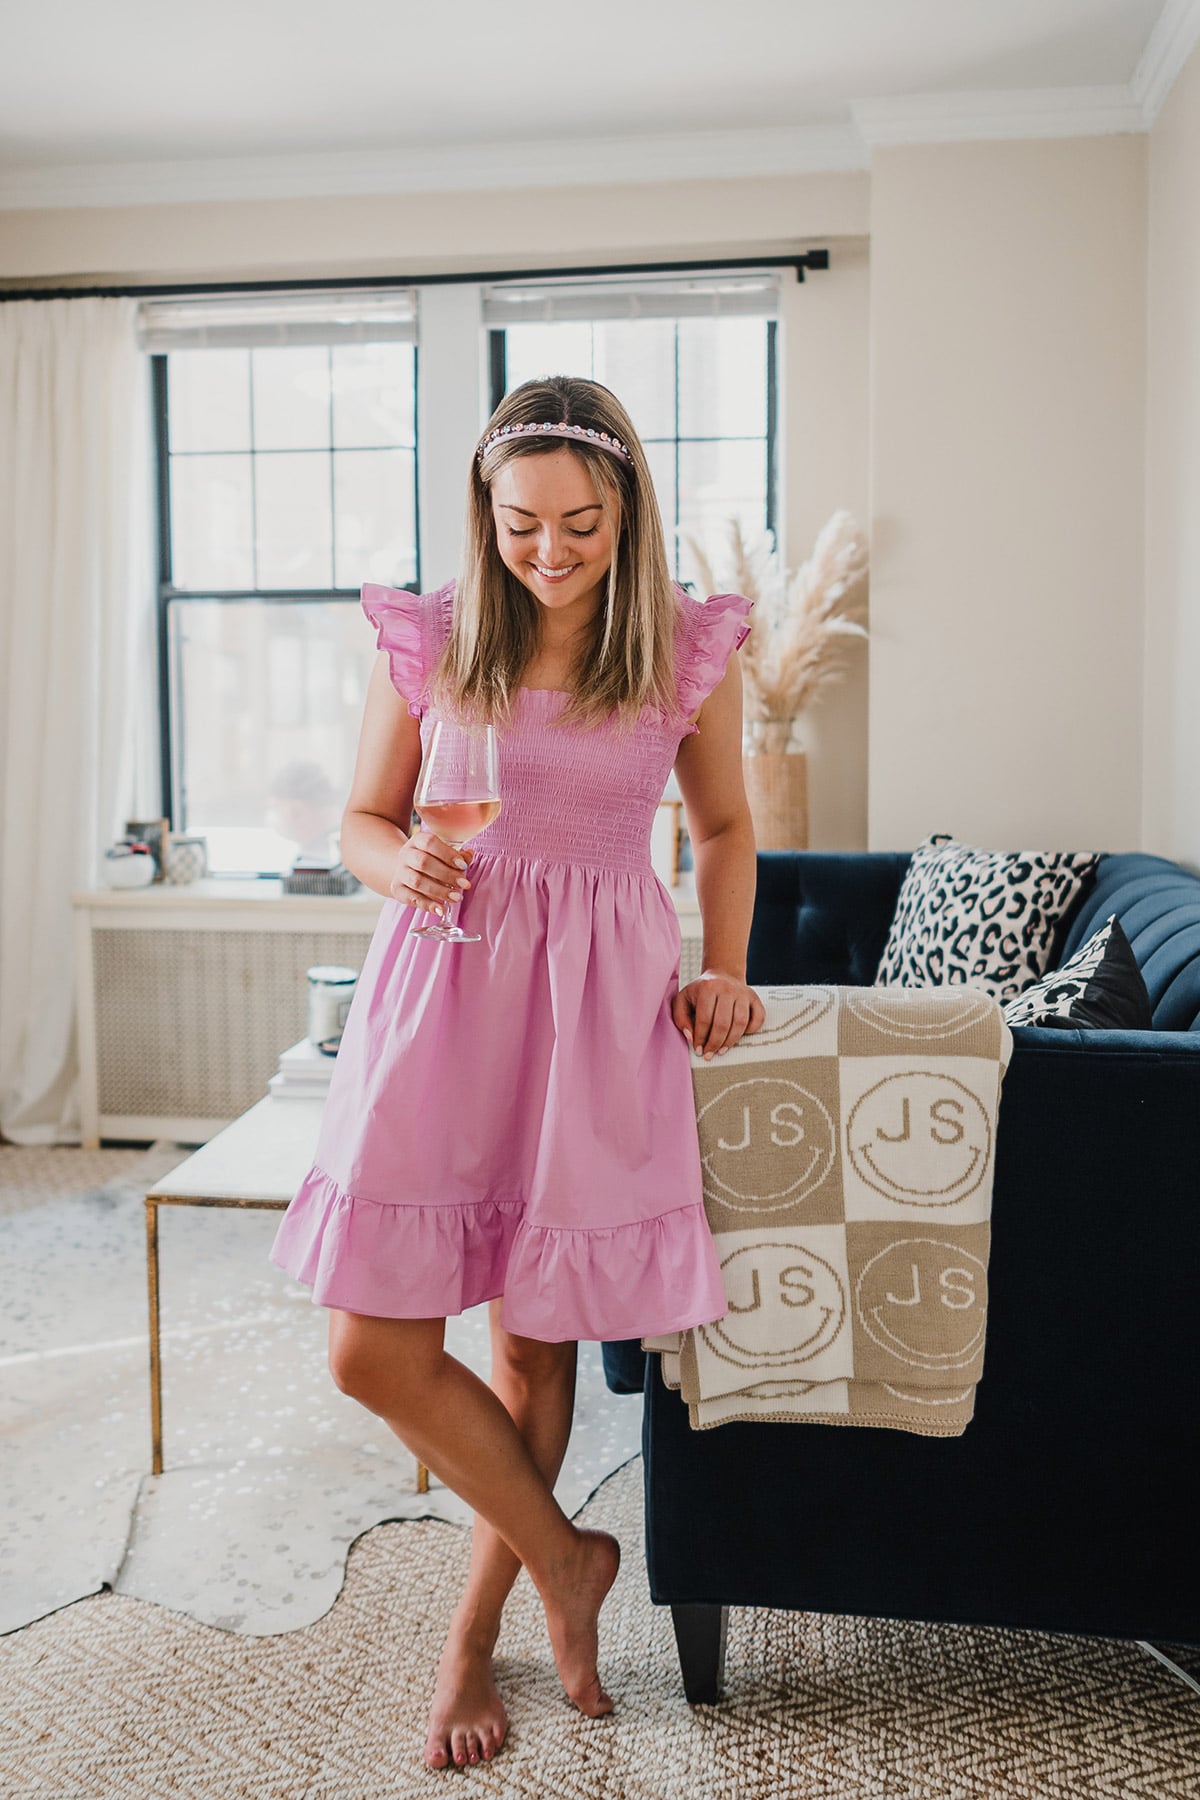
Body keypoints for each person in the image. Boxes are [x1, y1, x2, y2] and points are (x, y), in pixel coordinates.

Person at [268, 375, 765, 1770]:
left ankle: (473, 1636)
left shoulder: (677, 649)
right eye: (524, 522)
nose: (550, 551)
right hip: (442, 993)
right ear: (486, 511)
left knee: (535, 1342)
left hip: (598, 1012)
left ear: (629, 516)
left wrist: (721, 964)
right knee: (372, 1346)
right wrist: (399, 859)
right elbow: (369, 822)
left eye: (584, 526)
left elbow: (724, 829)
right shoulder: (433, 636)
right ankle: (569, 1554)